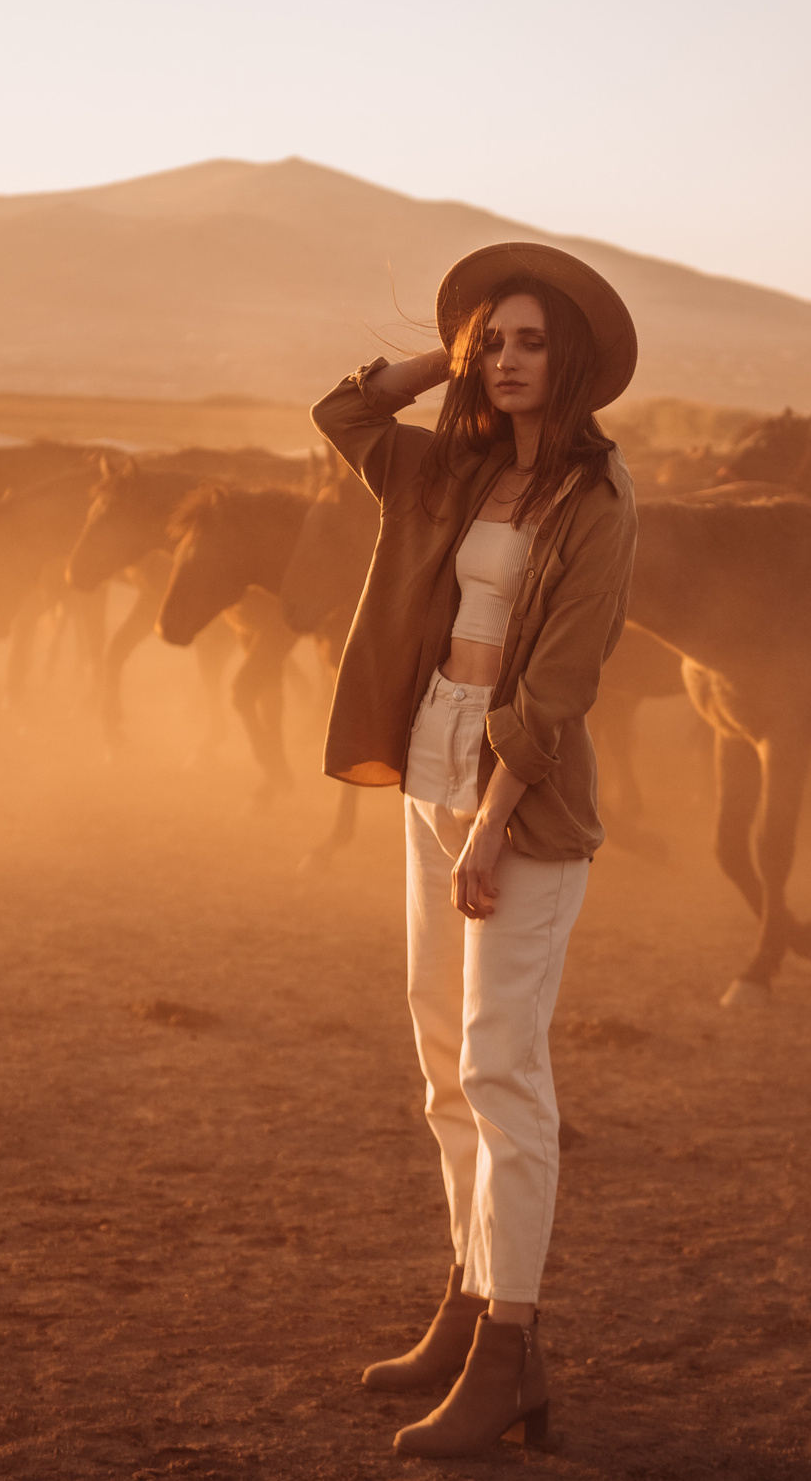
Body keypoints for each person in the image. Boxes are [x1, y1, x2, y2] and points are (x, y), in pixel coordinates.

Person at [311, 242, 639, 1458]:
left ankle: (510, 1344)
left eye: (529, 342)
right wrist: (431, 362)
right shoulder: (452, 466)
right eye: (490, 342)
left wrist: (493, 827)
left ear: (575, 361)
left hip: (522, 808)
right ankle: (463, 1299)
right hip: (432, 776)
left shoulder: (595, 502)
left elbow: (555, 689)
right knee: (442, 1060)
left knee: (505, 1072)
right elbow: (342, 413)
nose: (506, 361)